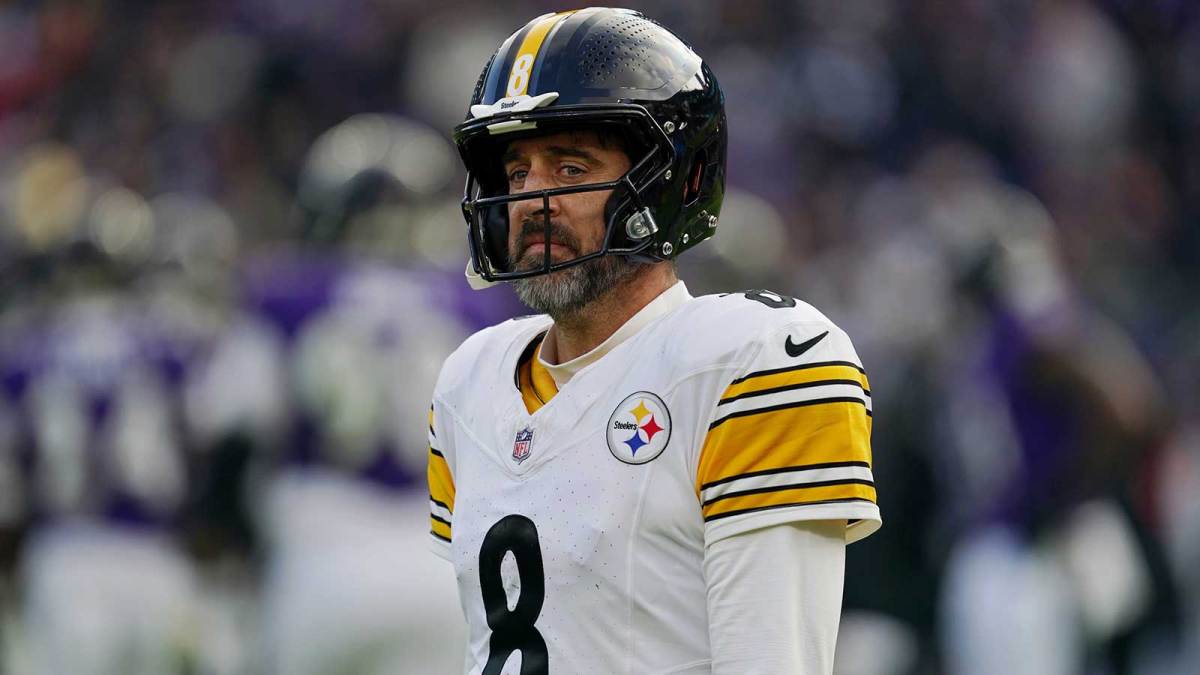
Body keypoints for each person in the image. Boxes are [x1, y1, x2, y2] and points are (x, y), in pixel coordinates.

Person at [427, 8, 880, 674]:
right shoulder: (471, 381)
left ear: (670, 182)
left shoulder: (748, 359)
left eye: (571, 167)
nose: (530, 199)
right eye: (517, 172)